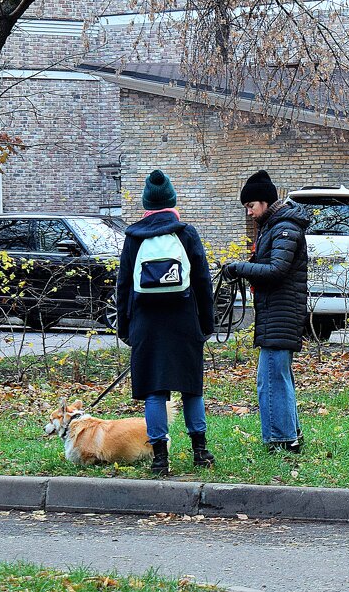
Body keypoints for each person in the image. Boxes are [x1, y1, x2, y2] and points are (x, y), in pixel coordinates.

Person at [117, 169, 216, 475]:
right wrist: (206, 324)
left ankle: (160, 457)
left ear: (146, 204)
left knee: (155, 392)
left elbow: (123, 286)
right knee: (191, 389)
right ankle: (200, 451)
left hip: (147, 324)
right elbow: (202, 281)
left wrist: (125, 327)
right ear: (172, 201)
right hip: (184, 321)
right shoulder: (186, 234)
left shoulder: (133, 237)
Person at [222, 170, 309, 453]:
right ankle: (290, 435)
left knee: (271, 380)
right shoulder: (275, 226)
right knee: (276, 378)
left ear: (264, 202)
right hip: (277, 313)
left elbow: (277, 270)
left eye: (250, 206)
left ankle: (281, 440)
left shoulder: (285, 227)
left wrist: (239, 267)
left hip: (281, 314)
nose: (248, 213)